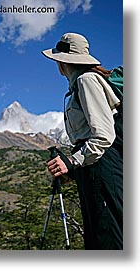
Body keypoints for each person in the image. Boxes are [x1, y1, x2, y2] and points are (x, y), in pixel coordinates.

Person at [42, 33, 123, 250]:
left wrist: (73, 160)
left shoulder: (86, 81)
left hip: (104, 169)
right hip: (94, 169)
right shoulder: (78, 84)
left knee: (107, 238)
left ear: (62, 60)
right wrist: (73, 170)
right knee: (97, 236)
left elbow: (104, 135)